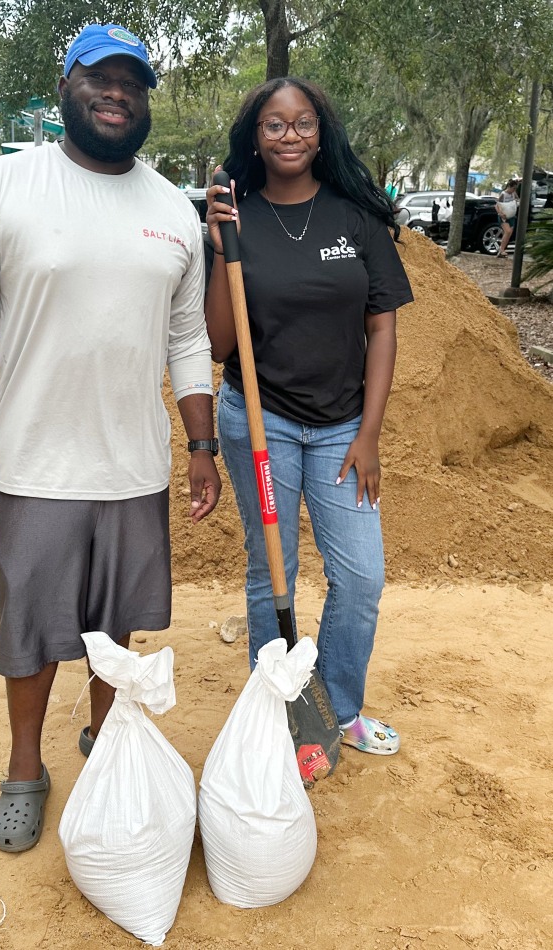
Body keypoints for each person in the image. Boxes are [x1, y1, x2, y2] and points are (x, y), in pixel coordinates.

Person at [0, 22, 220, 853]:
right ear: (68, 87)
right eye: (101, 76)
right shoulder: (3, 184)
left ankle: (105, 742)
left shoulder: (170, 208)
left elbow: (187, 340)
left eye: (132, 80)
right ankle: (26, 765)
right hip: (35, 463)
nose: (117, 92)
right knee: (29, 630)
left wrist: (201, 446)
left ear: (146, 97)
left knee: (114, 625)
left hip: (135, 464)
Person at [204, 77, 413, 758]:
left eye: (302, 123)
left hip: (341, 430)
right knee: (272, 573)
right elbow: (218, 344)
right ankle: (276, 713)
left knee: (360, 576)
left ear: (321, 132)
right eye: (273, 124)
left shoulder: (356, 218)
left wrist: (370, 434)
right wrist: (217, 249)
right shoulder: (239, 217)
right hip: (257, 423)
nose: (289, 135)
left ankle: (338, 707)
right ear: (255, 138)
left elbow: (381, 330)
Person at [495, 179, 518, 258]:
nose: (514, 190)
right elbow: (497, 205)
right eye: (513, 188)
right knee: (507, 231)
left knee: (509, 234)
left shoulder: (513, 194)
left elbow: (517, 200)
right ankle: (501, 250)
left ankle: (502, 250)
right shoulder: (503, 194)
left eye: (515, 188)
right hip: (504, 216)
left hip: (511, 215)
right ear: (509, 187)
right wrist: (500, 213)